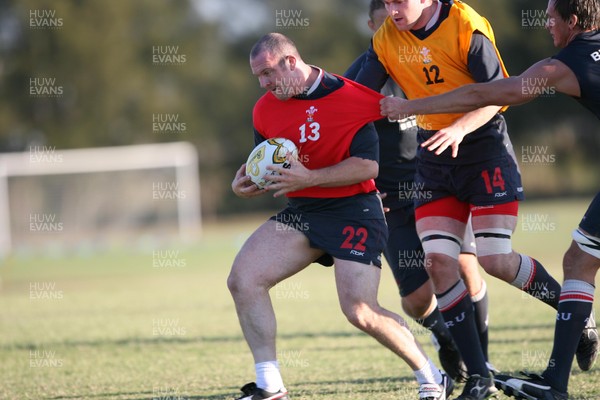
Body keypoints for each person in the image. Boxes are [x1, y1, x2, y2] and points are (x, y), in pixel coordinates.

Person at [352, 0, 592, 398]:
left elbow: (499, 94)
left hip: (483, 149)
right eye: (387, 1)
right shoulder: (385, 39)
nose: (393, 9)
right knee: (439, 263)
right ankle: (479, 376)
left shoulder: (465, 24)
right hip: (434, 158)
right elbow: (358, 95)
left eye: (400, 0)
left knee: (494, 259)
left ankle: (577, 317)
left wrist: (461, 128)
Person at [228, 32, 453, 400]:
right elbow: (265, 162)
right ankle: (270, 386)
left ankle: (431, 376)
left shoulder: (350, 96)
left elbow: (368, 166)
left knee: (360, 310)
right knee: (243, 279)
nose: (264, 84)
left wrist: (312, 177)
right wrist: (244, 185)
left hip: (355, 211)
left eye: (268, 73)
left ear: (290, 62)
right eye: (258, 77)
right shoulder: (263, 109)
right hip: (303, 213)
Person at [344, 0, 497, 384]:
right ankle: (446, 336)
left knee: (464, 264)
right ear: (374, 29)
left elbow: (486, 95)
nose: (401, 32)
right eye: (388, 25)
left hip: (435, 183)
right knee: (414, 299)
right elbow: (341, 126)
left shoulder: (434, 58)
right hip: (390, 201)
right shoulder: (365, 74)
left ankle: (482, 366)